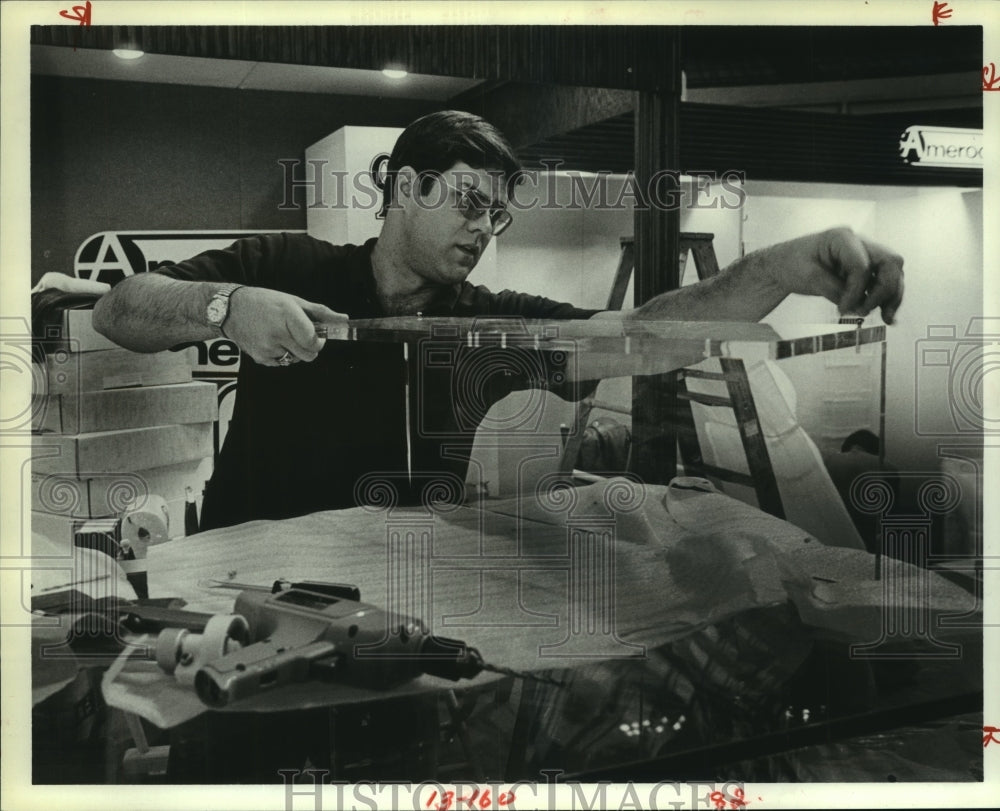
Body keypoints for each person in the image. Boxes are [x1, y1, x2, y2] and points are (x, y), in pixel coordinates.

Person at [93, 110, 904, 532]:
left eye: (497, 216)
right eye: (470, 203)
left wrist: (784, 268)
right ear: (407, 188)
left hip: (399, 607)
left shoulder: (492, 328)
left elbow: (642, 334)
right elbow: (118, 307)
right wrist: (225, 305)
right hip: (250, 591)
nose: (484, 230)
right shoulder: (286, 266)